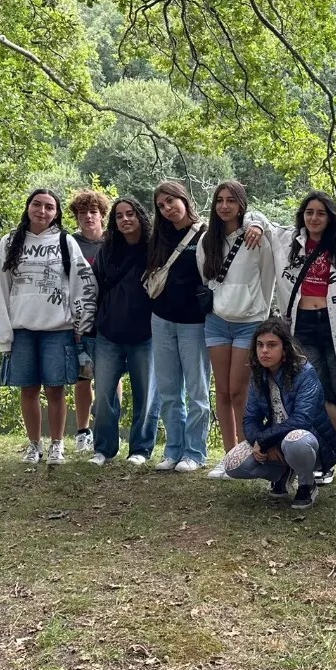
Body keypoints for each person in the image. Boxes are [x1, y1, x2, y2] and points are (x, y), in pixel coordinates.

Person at [264, 191, 336, 482]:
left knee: (335, 397)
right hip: (302, 325)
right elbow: (258, 219)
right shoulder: (288, 242)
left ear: (330, 218)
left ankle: (335, 454)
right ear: (302, 215)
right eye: (309, 212)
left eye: (321, 213)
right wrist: (253, 225)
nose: (314, 218)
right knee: (311, 395)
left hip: (334, 326)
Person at [0, 188, 97, 466]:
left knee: (55, 389)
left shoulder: (65, 241)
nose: (42, 211)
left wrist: (81, 324)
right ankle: (34, 445)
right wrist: (4, 335)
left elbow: (82, 284)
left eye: (49, 207)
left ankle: (57, 445)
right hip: (22, 330)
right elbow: (0, 289)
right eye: (37, 205)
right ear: (28, 207)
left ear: (56, 213)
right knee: (28, 389)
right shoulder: (10, 242)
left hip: (58, 330)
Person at [222, 317, 336, 510]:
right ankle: (282, 474)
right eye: (260, 345)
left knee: (295, 441)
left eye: (271, 345)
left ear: (285, 349)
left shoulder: (305, 372)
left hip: (311, 444)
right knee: (232, 464)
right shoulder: (258, 373)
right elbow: (250, 418)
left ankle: (307, 484)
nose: (264, 351)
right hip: (275, 440)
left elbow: (302, 420)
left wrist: (265, 440)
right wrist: (260, 442)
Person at [197, 181, 277, 477]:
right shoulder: (207, 240)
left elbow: (268, 278)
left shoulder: (256, 238)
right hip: (217, 321)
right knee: (222, 390)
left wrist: (260, 313)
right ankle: (229, 456)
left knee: (238, 390)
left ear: (241, 204)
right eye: (219, 200)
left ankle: (247, 454)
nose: (224, 206)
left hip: (249, 323)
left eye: (231, 200)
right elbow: (205, 279)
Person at [145, 180, 211, 472]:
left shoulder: (206, 234)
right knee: (169, 391)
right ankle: (173, 449)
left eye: (171, 201)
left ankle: (195, 452)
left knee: (197, 392)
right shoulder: (159, 237)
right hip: (161, 319)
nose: (167, 209)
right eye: (161, 205)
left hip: (194, 324)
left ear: (184, 199)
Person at [89, 196, 156, 466]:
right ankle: (103, 449)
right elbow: (95, 288)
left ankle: (141, 449)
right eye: (119, 216)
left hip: (146, 334)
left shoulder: (155, 249)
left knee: (146, 395)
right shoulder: (107, 250)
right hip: (109, 333)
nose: (125, 219)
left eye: (130, 214)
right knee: (104, 395)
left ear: (140, 216)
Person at [68, 189, 110, 453]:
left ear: (102, 215)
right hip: (81, 323)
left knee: (111, 378)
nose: (88, 217)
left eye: (93, 212)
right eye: (82, 213)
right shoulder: (70, 244)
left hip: (110, 320)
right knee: (83, 377)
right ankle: (83, 432)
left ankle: (107, 427)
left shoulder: (113, 242)